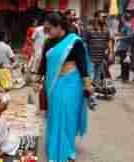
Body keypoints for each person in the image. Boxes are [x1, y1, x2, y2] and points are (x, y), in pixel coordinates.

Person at [35, 12, 92, 162]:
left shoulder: (74, 42)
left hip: (72, 83)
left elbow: (82, 65)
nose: (47, 32)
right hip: (53, 84)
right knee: (54, 116)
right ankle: (54, 147)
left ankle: (68, 150)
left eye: (49, 29)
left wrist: (87, 86)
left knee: (68, 116)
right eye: (45, 29)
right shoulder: (48, 42)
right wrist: (37, 79)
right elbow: (44, 64)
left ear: (59, 27)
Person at [84, 10, 113, 84]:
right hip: (91, 59)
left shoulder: (106, 29)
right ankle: (88, 93)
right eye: (103, 17)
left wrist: (110, 52)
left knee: (97, 78)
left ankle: (94, 93)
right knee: (90, 77)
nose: (104, 19)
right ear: (96, 18)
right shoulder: (88, 29)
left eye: (105, 17)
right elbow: (84, 43)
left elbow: (108, 40)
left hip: (100, 58)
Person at [115, 13, 133, 82]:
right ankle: (122, 75)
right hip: (122, 47)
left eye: (122, 17)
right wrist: (118, 34)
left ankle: (125, 78)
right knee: (123, 62)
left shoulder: (127, 25)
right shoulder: (125, 25)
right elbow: (125, 34)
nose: (121, 19)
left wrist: (120, 38)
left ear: (124, 18)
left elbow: (129, 36)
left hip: (125, 47)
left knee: (125, 63)